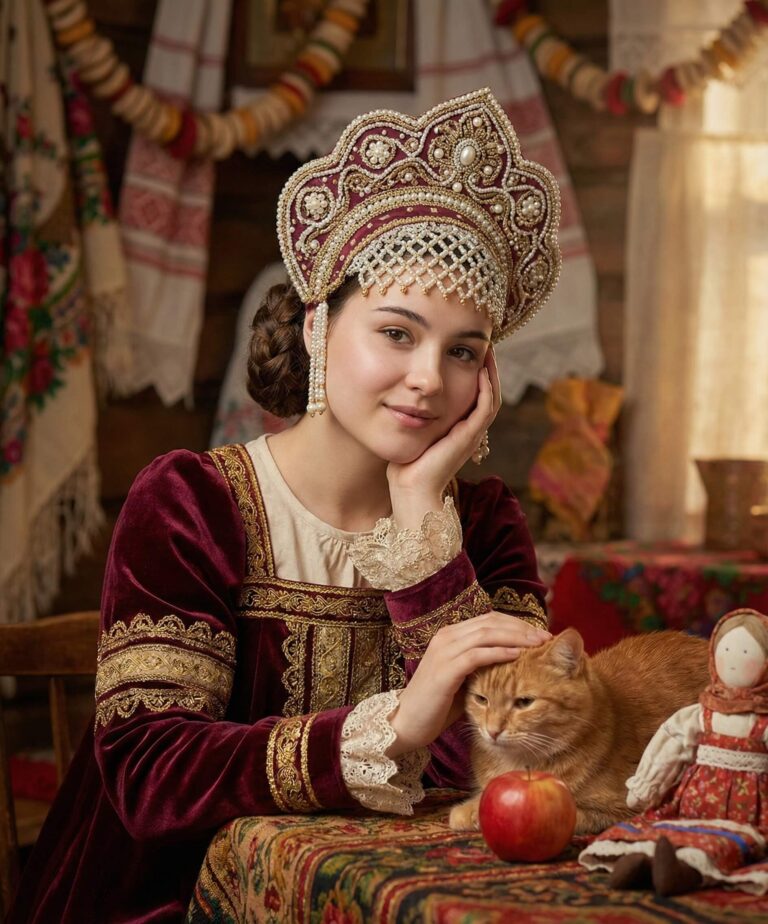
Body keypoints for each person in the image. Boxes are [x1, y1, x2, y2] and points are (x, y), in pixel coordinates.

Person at [9, 87, 562, 923]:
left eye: (462, 352)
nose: (427, 379)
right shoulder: (193, 501)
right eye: (397, 332)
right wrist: (390, 730)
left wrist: (423, 537)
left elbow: (512, 766)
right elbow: (148, 772)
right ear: (316, 328)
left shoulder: (480, 526)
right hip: (166, 900)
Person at [579, 608, 768, 896]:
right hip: (696, 795)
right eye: (726, 650)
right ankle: (638, 858)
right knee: (660, 825)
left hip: (750, 806)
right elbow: (670, 743)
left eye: (745, 653)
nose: (733, 662)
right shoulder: (703, 712)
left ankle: (686, 873)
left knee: (732, 841)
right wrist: (646, 783)